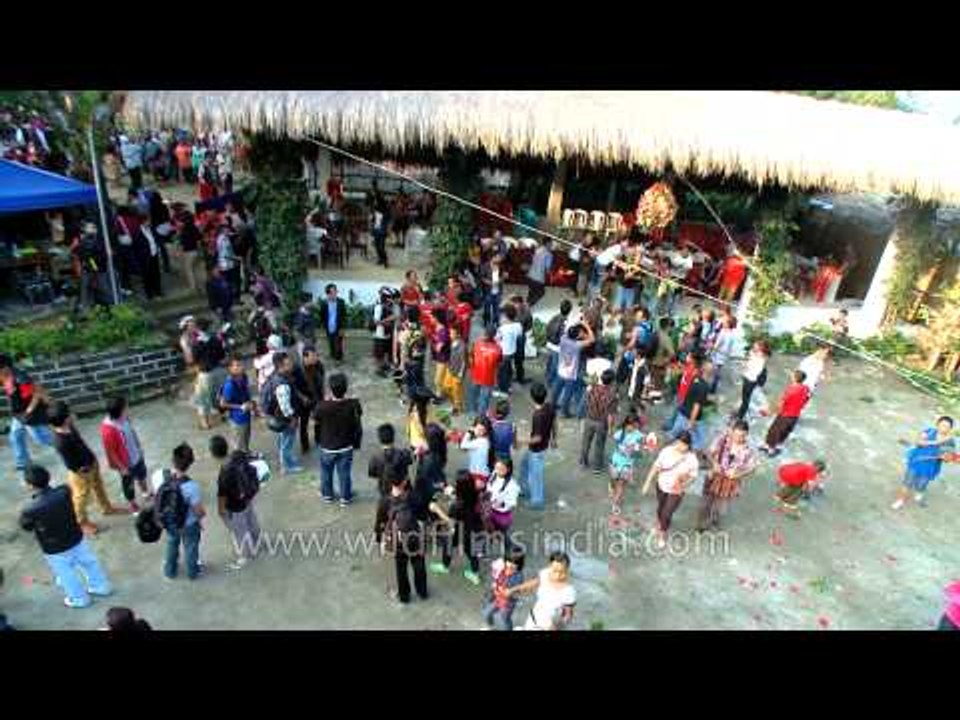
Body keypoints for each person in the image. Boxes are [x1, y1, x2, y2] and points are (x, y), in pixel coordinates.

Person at [19, 465, 113, 609]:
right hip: (75, 536)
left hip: (54, 547)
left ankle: (79, 598)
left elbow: (26, 527)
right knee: (89, 561)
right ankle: (101, 586)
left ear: (30, 486)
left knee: (66, 574)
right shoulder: (64, 491)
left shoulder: (30, 509)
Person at [50, 401, 125, 536]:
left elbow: (81, 442)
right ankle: (81, 522)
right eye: (69, 413)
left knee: (98, 486)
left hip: (91, 462)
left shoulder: (70, 427)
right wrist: (83, 471)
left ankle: (106, 507)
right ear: (66, 419)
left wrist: (92, 458)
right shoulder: (60, 442)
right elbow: (70, 463)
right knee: (81, 497)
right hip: (80, 472)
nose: (72, 414)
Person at [375, 473, 428, 604]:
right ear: (404, 482)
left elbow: (380, 522)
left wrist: (380, 539)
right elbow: (423, 516)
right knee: (418, 564)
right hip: (414, 536)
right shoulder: (414, 497)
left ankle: (404, 596)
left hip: (398, 540)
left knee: (401, 567)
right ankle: (422, 592)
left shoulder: (384, 501)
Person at [210, 435, 262, 571]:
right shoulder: (238, 455)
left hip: (235, 507)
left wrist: (221, 512)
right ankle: (256, 541)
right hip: (248, 497)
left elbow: (222, 497)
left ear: (213, 455)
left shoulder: (223, 475)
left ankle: (246, 556)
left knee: (240, 532)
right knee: (252, 521)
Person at [696, 420, 758, 532]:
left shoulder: (749, 450)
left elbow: (752, 467)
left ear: (746, 434)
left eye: (742, 436)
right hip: (714, 476)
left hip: (730, 482)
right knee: (706, 502)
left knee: (720, 506)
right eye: (736, 435)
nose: (738, 438)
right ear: (732, 431)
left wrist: (739, 474)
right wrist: (714, 463)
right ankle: (702, 523)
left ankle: (714, 520)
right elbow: (709, 452)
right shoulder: (722, 440)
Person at [642, 431, 700, 549]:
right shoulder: (667, 451)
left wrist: (683, 486)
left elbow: (693, 476)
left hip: (676, 491)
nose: (681, 446)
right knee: (661, 508)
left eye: (684, 445)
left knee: (667, 513)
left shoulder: (692, 458)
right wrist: (647, 483)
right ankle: (660, 524)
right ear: (675, 441)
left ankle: (662, 534)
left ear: (689, 445)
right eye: (679, 443)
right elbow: (656, 467)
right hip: (661, 485)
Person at [1, 353, 55, 478]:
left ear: (5, 367)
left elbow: (36, 394)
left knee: (41, 438)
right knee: (15, 436)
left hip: (29, 413)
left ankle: (65, 445)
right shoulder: (4, 376)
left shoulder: (20, 378)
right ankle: (23, 462)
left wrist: (29, 411)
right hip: (18, 413)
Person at [314, 372, 363, 506]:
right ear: (346, 388)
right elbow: (358, 423)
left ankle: (327, 495)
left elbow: (316, 422)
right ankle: (345, 498)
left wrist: (318, 441)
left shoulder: (322, 406)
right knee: (344, 473)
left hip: (327, 447)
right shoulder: (353, 404)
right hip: (346, 447)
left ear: (330, 389)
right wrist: (357, 443)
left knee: (326, 472)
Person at [159, 443, 205, 580]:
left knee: (172, 544)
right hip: (189, 524)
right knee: (191, 548)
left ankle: (169, 571)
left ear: (173, 461)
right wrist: (201, 517)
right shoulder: (192, 487)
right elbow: (198, 511)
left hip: (170, 522)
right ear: (190, 463)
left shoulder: (164, 478)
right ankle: (192, 572)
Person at [429, 469, 483, 585]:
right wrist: (452, 492)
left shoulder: (456, 506)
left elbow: (450, 521)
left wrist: (436, 509)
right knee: (471, 552)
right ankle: (474, 573)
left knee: (449, 545)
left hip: (460, 529)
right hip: (474, 527)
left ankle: (445, 566)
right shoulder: (474, 492)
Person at [100, 396, 151, 514]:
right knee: (129, 485)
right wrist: (122, 468)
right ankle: (133, 504)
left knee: (142, 474)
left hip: (136, 456)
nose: (128, 407)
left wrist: (139, 446)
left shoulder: (125, 418)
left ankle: (145, 493)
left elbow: (132, 431)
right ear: (120, 411)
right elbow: (111, 451)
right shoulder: (108, 430)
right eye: (126, 407)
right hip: (125, 464)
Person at [892, 416, 956, 510]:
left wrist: (944, 458)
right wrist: (935, 442)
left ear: (950, 429)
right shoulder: (929, 431)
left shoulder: (950, 441)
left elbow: (948, 458)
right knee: (907, 483)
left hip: (930, 467)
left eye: (947, 427)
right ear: (937, 425)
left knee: (921, 484)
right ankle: (900, 500)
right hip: (916, 462)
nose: (944, 428)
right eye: (942, 425)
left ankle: (919, 493)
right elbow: (919, 442)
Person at [506, 551, 577, 631]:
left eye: (562, 572)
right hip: (534, 617)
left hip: (551, 625)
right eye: (554, 571)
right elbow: (532, 583)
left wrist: (558, 626)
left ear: (567, 570)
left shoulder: (569, 591)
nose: (558, 576)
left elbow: (568, 615)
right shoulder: (545, 574)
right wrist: (513, 589)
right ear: (550, 566)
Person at [261, 352, 304, 475]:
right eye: (288, 364)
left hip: (274, 416)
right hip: (283, 419)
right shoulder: (282, 384)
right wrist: (293, 419)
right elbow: (285, 407)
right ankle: (286, 466)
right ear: (281, 366)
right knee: (287, 442)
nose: (291, 365)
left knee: (283, 440)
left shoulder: (274, 377)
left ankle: (285, 460)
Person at [519, 382, 557, 510]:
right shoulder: (550, 406)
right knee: (524, 466)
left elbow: (537, 438)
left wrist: (521, 441)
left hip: (537, 450)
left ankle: (537, 501)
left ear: (532, 397)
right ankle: (524, 490)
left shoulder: (538, 415)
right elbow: (554, 422)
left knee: (536, 476)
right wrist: (554, 438)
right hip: (540, 447)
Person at [760, 370, 812, 457]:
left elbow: (780, 404)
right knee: (784, 432)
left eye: (793, 374)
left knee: (774, 431)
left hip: (785, 415)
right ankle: (777, 446)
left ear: (794, 378)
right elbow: (807, 397)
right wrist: (801, 405)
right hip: (795, 416)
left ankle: (770, 449)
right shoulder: (806, 388)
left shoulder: (791, 390)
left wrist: (769, 412)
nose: (791, 375)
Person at [667, 356, 712, 453]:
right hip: (690, 417)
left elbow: (693, 395)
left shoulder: (694, 377)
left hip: (682, 411)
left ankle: (667, 447)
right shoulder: (704, 386)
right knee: (698, 442)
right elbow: (697, 405)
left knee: (674, 433)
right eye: (712, 369)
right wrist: (691, 422)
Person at [552, 322, 596, 418]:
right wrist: (586, 325)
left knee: (556, 389)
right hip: (571, 374)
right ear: (576, 337)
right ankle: (564, 412)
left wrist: (576, 324)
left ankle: (552, 405)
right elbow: (592, 339)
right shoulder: (577, 345)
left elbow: (567, 332)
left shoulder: (563, 339)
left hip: (561, 370)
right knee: (568, 394)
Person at [582, 368, 618, 473]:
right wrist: (611, 428)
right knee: (599, 444)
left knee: (586, 441)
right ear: (612, 381)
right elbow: (611, 414)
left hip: (589, 419)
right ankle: (597, 467)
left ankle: (583, 461)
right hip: (601, 423)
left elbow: (586, 402)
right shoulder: (612, 395)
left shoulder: (593, 388)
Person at [481, 546, 526, 630]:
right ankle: (490, 625)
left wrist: (508, 592)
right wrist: (494, 583)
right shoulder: (501, 567)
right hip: (496, 597)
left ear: (519, 564)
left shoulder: (519, 576)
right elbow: (495, 576)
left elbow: (516, 592)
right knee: (486, 613)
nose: (511, 564)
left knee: (504, 619)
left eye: (515, 563)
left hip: (507, 603)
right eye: (509, 561)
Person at [609, 412, 644, 515]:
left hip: (627, 465)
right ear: (625, 424)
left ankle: (615, 503)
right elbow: (616, 446)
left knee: (621, 485)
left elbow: (641, 450)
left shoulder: (638, 435)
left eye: (634, 426)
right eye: (630, 425)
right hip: (615, 462)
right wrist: (625, 450)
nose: (632, 428)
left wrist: (637, 449)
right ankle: (611, 487)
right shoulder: (619, 433)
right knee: (613, 481)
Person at [219, 357, 254, 453]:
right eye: (237, 365)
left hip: (246, 415)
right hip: (237, 418)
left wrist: (250, 403)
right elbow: (223, 403)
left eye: (241, 364)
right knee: (238, 444)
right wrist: (241, 406)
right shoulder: (229, 385)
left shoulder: (244, 377)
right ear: (230, 368)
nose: (241, 367)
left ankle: (246, 452)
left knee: (246, 438)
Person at [294, 345, 325, 455]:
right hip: (304, 401)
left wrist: (322, 397)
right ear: (305, 357)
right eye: (313, 356)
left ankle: (319, 440)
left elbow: (322, 382)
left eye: (316, 355)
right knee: (304, 423)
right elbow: (294, 387)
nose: (316, 358)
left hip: (317, 397)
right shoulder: (297, 368)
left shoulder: (319, 365)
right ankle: (305, 446)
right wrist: (302, 397)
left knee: (319, 420)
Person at [369, 424, 414, 498]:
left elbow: (372, 474)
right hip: (404, 489)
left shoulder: (375, 458)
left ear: (380, 439)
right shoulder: (403, 453)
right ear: (393, 437)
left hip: (385, 489)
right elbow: (410, 461)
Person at [467, 325, 503, 417]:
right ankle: (480, 417)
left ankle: (472, 412)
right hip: (488, 379)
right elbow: (499, 364)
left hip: (475, 375)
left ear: (485, 334)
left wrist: (472, 366)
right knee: (484, 398)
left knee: (473, 395)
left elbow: (470, 356)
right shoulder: (498, 348)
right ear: (494, 335)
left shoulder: (476, 344)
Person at [733, 340, 771, 422]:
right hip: (747, 378)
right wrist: (747, 363)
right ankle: (740, 412)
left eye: (756, 345)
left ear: (760, 348)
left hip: (750, 381)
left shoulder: (761, 359)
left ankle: (740, 416)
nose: (754, 346)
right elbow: (750, 357)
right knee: (744, 398)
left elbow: (756, 372)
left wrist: (748, 366)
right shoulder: (755, 355)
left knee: (745, 400)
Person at [485, 457, 520, 540]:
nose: (497, 471)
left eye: (501, 469)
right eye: (496, 468)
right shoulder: (494, 475)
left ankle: (510, 548)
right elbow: (489, 488)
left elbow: (512, 503)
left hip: (502, 516)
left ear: (508, 469)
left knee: (503, 536)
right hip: (490, 511)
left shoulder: (512, 485)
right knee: (489, 532)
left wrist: (502, 504)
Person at [495, 303, 523, 395]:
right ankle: (509, 386)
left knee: (501, 372)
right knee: (508, 369)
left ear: (506, 317)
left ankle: (503, 390)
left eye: (502, 316)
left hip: (503, 353)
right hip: (512, 352)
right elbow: (519, 336)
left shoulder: (502, 329)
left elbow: (496, 340)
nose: (501, 318)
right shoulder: (518, 326)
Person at [460, 416, 495, 489]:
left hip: (478, 474)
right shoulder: (484, 440)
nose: (480, 432)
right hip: (481, 473)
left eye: (483, 430)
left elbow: (463, 445)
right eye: (479, 430)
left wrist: (469, 432)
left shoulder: (481, 442)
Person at [544, 299, 573, 387]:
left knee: (549, 361)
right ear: (569, 310)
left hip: (549, 344)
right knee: (555, 365)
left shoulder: (555, 317)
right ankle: (550, 381)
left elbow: (547, 327)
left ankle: (547, 375)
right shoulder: (566, 322)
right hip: (557, 347)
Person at [133, 217, 163, 299]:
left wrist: (158, 248)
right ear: (143, 222)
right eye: (148, 221)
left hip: (154, 254)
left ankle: (158, 292)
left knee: (156, 274)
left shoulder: (152, 230)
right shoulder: (137, 232)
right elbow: (136, 246)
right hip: (145, 257)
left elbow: (157, 238)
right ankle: (149, 294)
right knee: (147, 276)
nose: (149, 223)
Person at [372, 286, 398, 377]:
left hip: (388, 334)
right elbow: (375, 322)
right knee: (379, 354)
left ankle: (384, 366)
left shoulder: (390, 307)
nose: (391, 300)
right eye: (390, 298)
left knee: (386, 352)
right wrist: (387, 321)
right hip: (380, 334)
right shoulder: (378, 307)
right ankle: (379, 369)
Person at [709, 313, 736, 395]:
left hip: (718, 355)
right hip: (724, 357)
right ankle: (713, 389)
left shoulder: (723, 332)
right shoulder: (732, 334)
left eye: (724, 321)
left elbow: (717, 345)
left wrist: (711, 350)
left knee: (714, 373)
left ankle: (711, 388)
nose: (722, 322)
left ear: (728, 324)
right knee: (717, 373)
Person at [318, 283, 347, 362]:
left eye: (335, 291)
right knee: (331, 342)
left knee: (338, 343)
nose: (334, 294)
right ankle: (333, 354)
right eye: (332, 292)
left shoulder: (341, 302)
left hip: (338, 327)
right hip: (329, 327)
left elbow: (344, 316)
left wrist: (342, 328)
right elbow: (321, 315)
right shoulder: (324, 303)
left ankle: (339, 358)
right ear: (328, 293)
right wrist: (323, 325)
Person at [445, 324, 467, 415]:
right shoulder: (452, 343)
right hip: (450, 369)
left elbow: (464, 361)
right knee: (446, 387)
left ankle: (458, 408)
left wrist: (461, 374)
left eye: (452, 333)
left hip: (457, 373)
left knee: (457, 392)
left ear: (458, 335)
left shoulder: (462, 346)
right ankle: (454, 403)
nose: (450, 335)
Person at [527, 240, 554, 307]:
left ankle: (525, 305)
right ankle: (528, 306)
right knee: (541, 293)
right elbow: (547, 269)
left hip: (530, 275)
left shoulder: (537, 250)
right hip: (538, 278)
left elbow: (532, 261)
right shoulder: (549, 254)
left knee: (531, 291)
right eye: (551, 244)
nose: (552, 246)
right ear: (548, 244)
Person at [490, 398, 518, 463]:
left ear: (496, 411)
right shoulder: (513, 426)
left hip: (493, 453)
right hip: (506, 454)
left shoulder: (491, 425)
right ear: (508, 413)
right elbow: (514, 444)